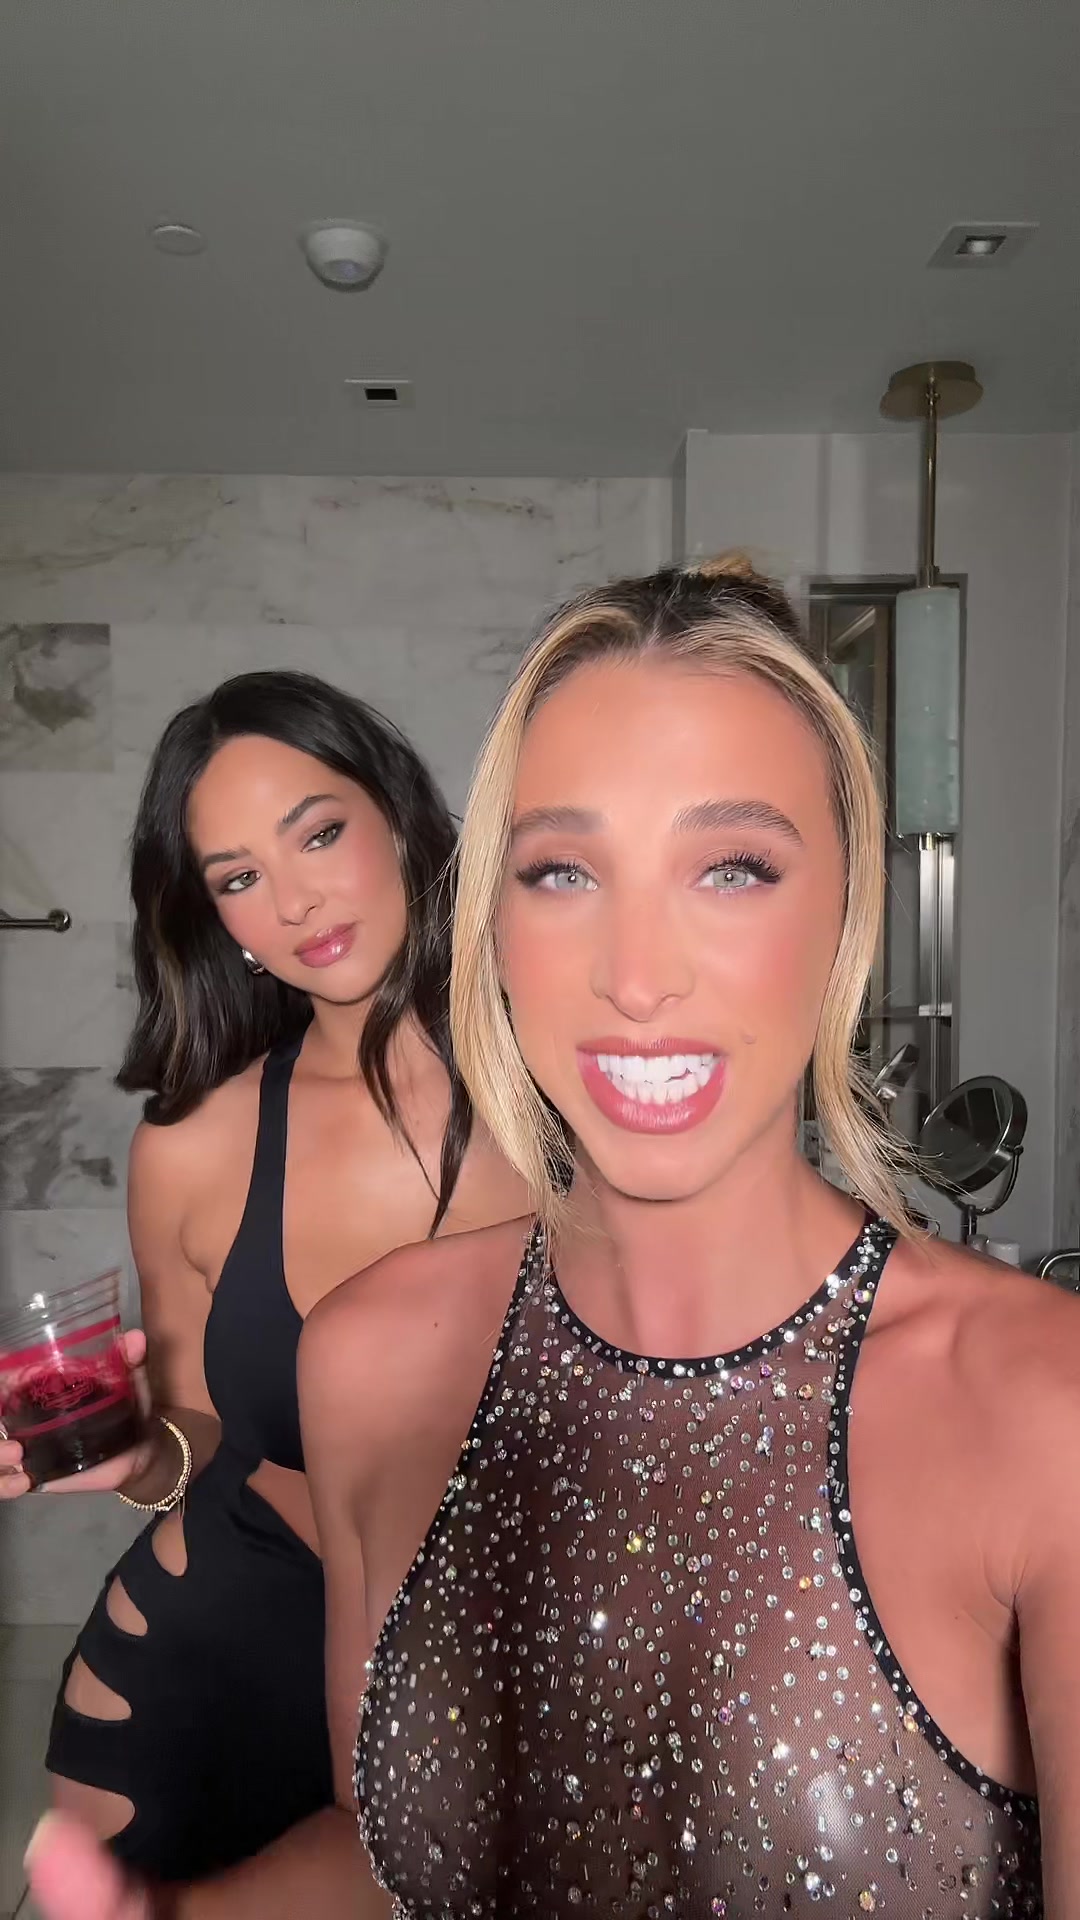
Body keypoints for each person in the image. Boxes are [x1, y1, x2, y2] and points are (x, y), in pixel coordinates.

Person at [27, 561, 1077, 1919]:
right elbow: (393, 1853)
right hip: (200, 1659)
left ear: (847, 917)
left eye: (734, 867)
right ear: (500, 914)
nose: (636, 977)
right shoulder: (349, 1327)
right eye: (564, 871)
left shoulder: (1038, 1411)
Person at [1, 669, 524, 1885]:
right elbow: (193, 1434)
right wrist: (139, 1455)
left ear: (400, 818)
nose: (292, 901)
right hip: (208, 1685)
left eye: (318, 834)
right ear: (216, 917)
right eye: (238, 877)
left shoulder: (573, 1095)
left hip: (506, 1678)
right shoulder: (195, 1145)